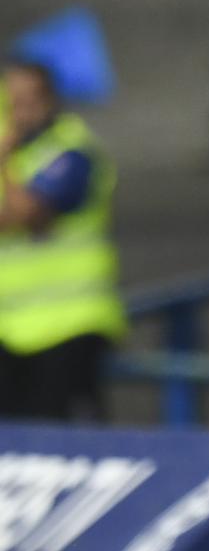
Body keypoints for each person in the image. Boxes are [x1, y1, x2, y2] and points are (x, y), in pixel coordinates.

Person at [0, 57, 124, 422]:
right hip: (11, 328)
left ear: (51, 98)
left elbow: (27, 215)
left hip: (71, 325)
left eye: (31, 99)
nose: (23, 111)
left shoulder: (72, 151)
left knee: (63, 441)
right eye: (12, 101)